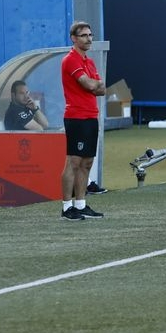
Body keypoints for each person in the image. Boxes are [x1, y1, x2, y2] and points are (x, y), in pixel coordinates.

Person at [60, 21, 106, 221]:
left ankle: (80, 204)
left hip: (91, 116)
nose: (88, 39)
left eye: (90, 35)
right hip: (76, 117)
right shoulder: (70, 60)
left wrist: (95, 85)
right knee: (73, 162)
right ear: (74, 38)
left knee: (87, 162)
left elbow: (102, 89)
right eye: (84, 35)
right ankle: (66, 207)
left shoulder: (90, 62)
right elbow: (90, 85)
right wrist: (95, 84)